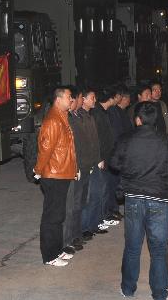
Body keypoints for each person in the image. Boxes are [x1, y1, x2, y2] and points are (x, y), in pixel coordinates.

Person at [110, 102, 168, 300]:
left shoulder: (126, 140)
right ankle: (160, 294)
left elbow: (114, 163)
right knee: (159, 249)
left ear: (137, 120)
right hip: (158, 199)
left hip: (133, 198)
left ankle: (128, 289)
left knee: (133, 246)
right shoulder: (166, 141)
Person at [34, 86, 78, 266]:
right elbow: (45, 150)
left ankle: (57, 250)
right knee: (52, 216)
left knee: (58, 215)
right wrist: (38, 170)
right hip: (54, 174)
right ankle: (49, 256)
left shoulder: (62, 117)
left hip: (62, 173)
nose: (72, 100)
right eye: (69, 97)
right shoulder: (53, 120)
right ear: (58, 100)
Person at [65, 86, 99, 251]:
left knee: (81, 202)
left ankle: (77, 234)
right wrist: (76, 166)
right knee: (74, 204)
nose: (75, 101)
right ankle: (71, 237)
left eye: (75, 98)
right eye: (74, 98)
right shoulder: (69, 119)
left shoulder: (78, 116)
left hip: (85, 164)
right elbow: (74, 146)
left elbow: (88, 142)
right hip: (78, 166)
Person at [90, 88, 119, 229]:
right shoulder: (97, 114)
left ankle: (103, 216)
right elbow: (98, 138)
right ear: (110, 98)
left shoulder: (103, 112)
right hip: (101, 158)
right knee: (100, 190)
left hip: (107, 156)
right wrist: (100, 157)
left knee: (105, 188)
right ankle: (99, 219)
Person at [79, 87, 104, 240]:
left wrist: (99, 158)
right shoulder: (80, 118)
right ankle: (84, 228)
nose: (95, 100)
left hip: (95, 162)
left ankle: (92, 224)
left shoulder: (89, 116)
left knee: (96, 194)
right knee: (87, 198)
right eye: (92, 97)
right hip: (87, 164)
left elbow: (95, 141)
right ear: (84, 100)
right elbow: (84, 144)